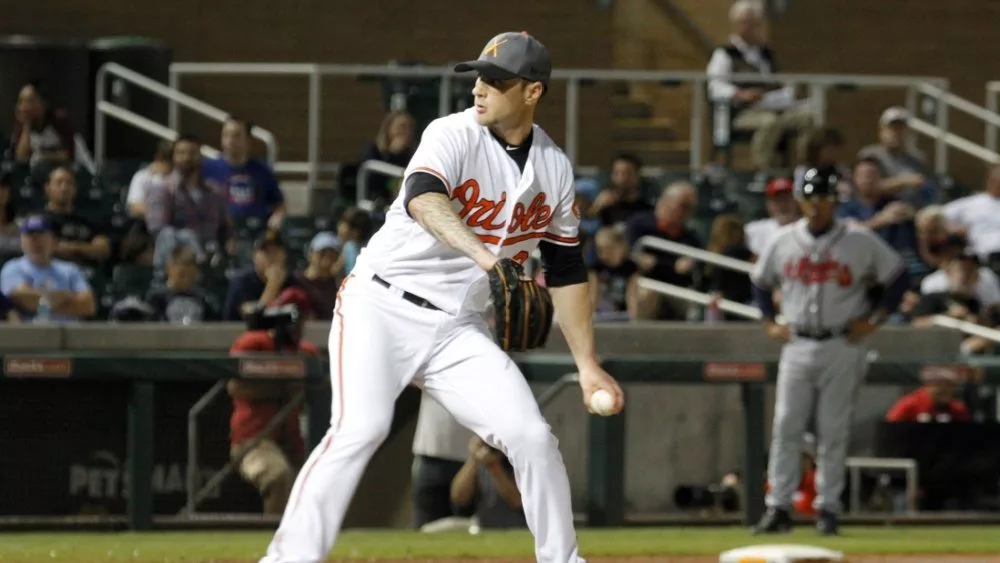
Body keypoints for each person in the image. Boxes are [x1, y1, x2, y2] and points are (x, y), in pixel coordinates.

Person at [257, 31, 624, 563]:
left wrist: (587, 365)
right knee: (360, 429)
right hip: (381, 305)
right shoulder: (451, 133)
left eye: (496, 80)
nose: (479, 88)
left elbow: (566, 269)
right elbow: (423, 199)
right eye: (479, 76)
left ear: (533, 92)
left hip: (458, 327)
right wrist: (487, 258)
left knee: (530, 436)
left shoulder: (555, 168)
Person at [750, 166, 909, 536]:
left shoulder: (858, 239)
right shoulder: (785, 239)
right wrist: (769, 322)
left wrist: (875, 319)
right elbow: (759, 282)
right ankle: (779, 506)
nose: (815, 205)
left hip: (841, 342)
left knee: (833, 430)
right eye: (809, 198)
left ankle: (829, 508)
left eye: (822, 198)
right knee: (786, 426)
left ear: (835, 200)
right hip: (797, 342)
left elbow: (898, 277)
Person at [229, 287, 319, 514]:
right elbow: (236, 386)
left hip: (296, 443)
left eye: (299, 317)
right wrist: (284, 386)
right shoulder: (255, 343)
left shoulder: (307, 352)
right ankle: (274, 535)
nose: (292, 324)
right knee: (277, 475)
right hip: (254, 442)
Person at [0, 214, 95, 323]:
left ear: (53, 240)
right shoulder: (13, 267)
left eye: (41, 236)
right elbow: (26, 300)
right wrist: (66, 296)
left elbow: (88, 306)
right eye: (30, 237)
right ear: (22, 241)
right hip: (32, 331)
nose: (35, 242)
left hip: (69, 331)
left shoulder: (70, 269)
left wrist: (40, 303)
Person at [203, 118, 286, 230]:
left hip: (256, 230)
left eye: (236, 136)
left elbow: (278, 204)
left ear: (247, 141)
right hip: (218, 230)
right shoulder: (207, 168)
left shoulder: (263, 171)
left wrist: (278, 217)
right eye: (226, 135)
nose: (230, 140)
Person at [450, 436, 527, 530]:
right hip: (482, 527)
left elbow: (517, 501)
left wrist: (494, 466)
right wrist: (473, 459)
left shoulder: (519, 459)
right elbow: (459, 498)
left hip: (516, 529)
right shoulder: (479, 461)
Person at [9, 80, 75, 167]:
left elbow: (68, 155)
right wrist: (27, 125)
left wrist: (44, 157)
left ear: (44, 103)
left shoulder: (59, 119)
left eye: (30, 101)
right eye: (21, 102)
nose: (24, 107)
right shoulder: (22, 123)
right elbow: (21, 158)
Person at [360, 110, 417, 204]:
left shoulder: (414, 154)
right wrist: (393, 154)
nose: (407, 132)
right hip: (378, 201)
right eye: (402, 127)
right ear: (389, 128)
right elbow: (372, 181)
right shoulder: (373, 150)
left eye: (410, 128)